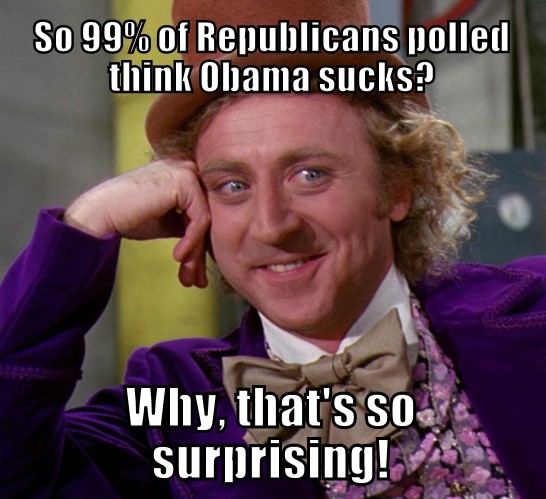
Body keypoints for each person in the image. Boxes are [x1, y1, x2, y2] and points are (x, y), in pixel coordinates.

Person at [1, 1, 545, 498]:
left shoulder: (533, 319)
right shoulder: (166, 408)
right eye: (232, 186)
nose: (271, 226)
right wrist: (86, 225)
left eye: (310, 175)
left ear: (397, 184)